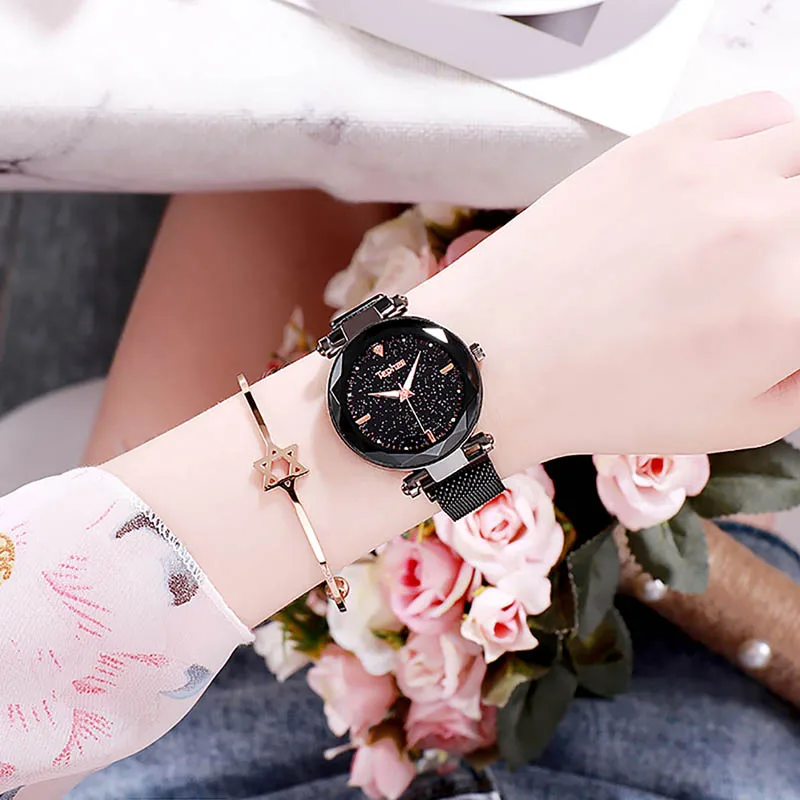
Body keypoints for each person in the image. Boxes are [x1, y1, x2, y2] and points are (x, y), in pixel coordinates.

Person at [1, 93, 800, 800]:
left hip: (177, 710)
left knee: (298, 116)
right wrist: (518, 356)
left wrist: (510, 332)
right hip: (691, 695)